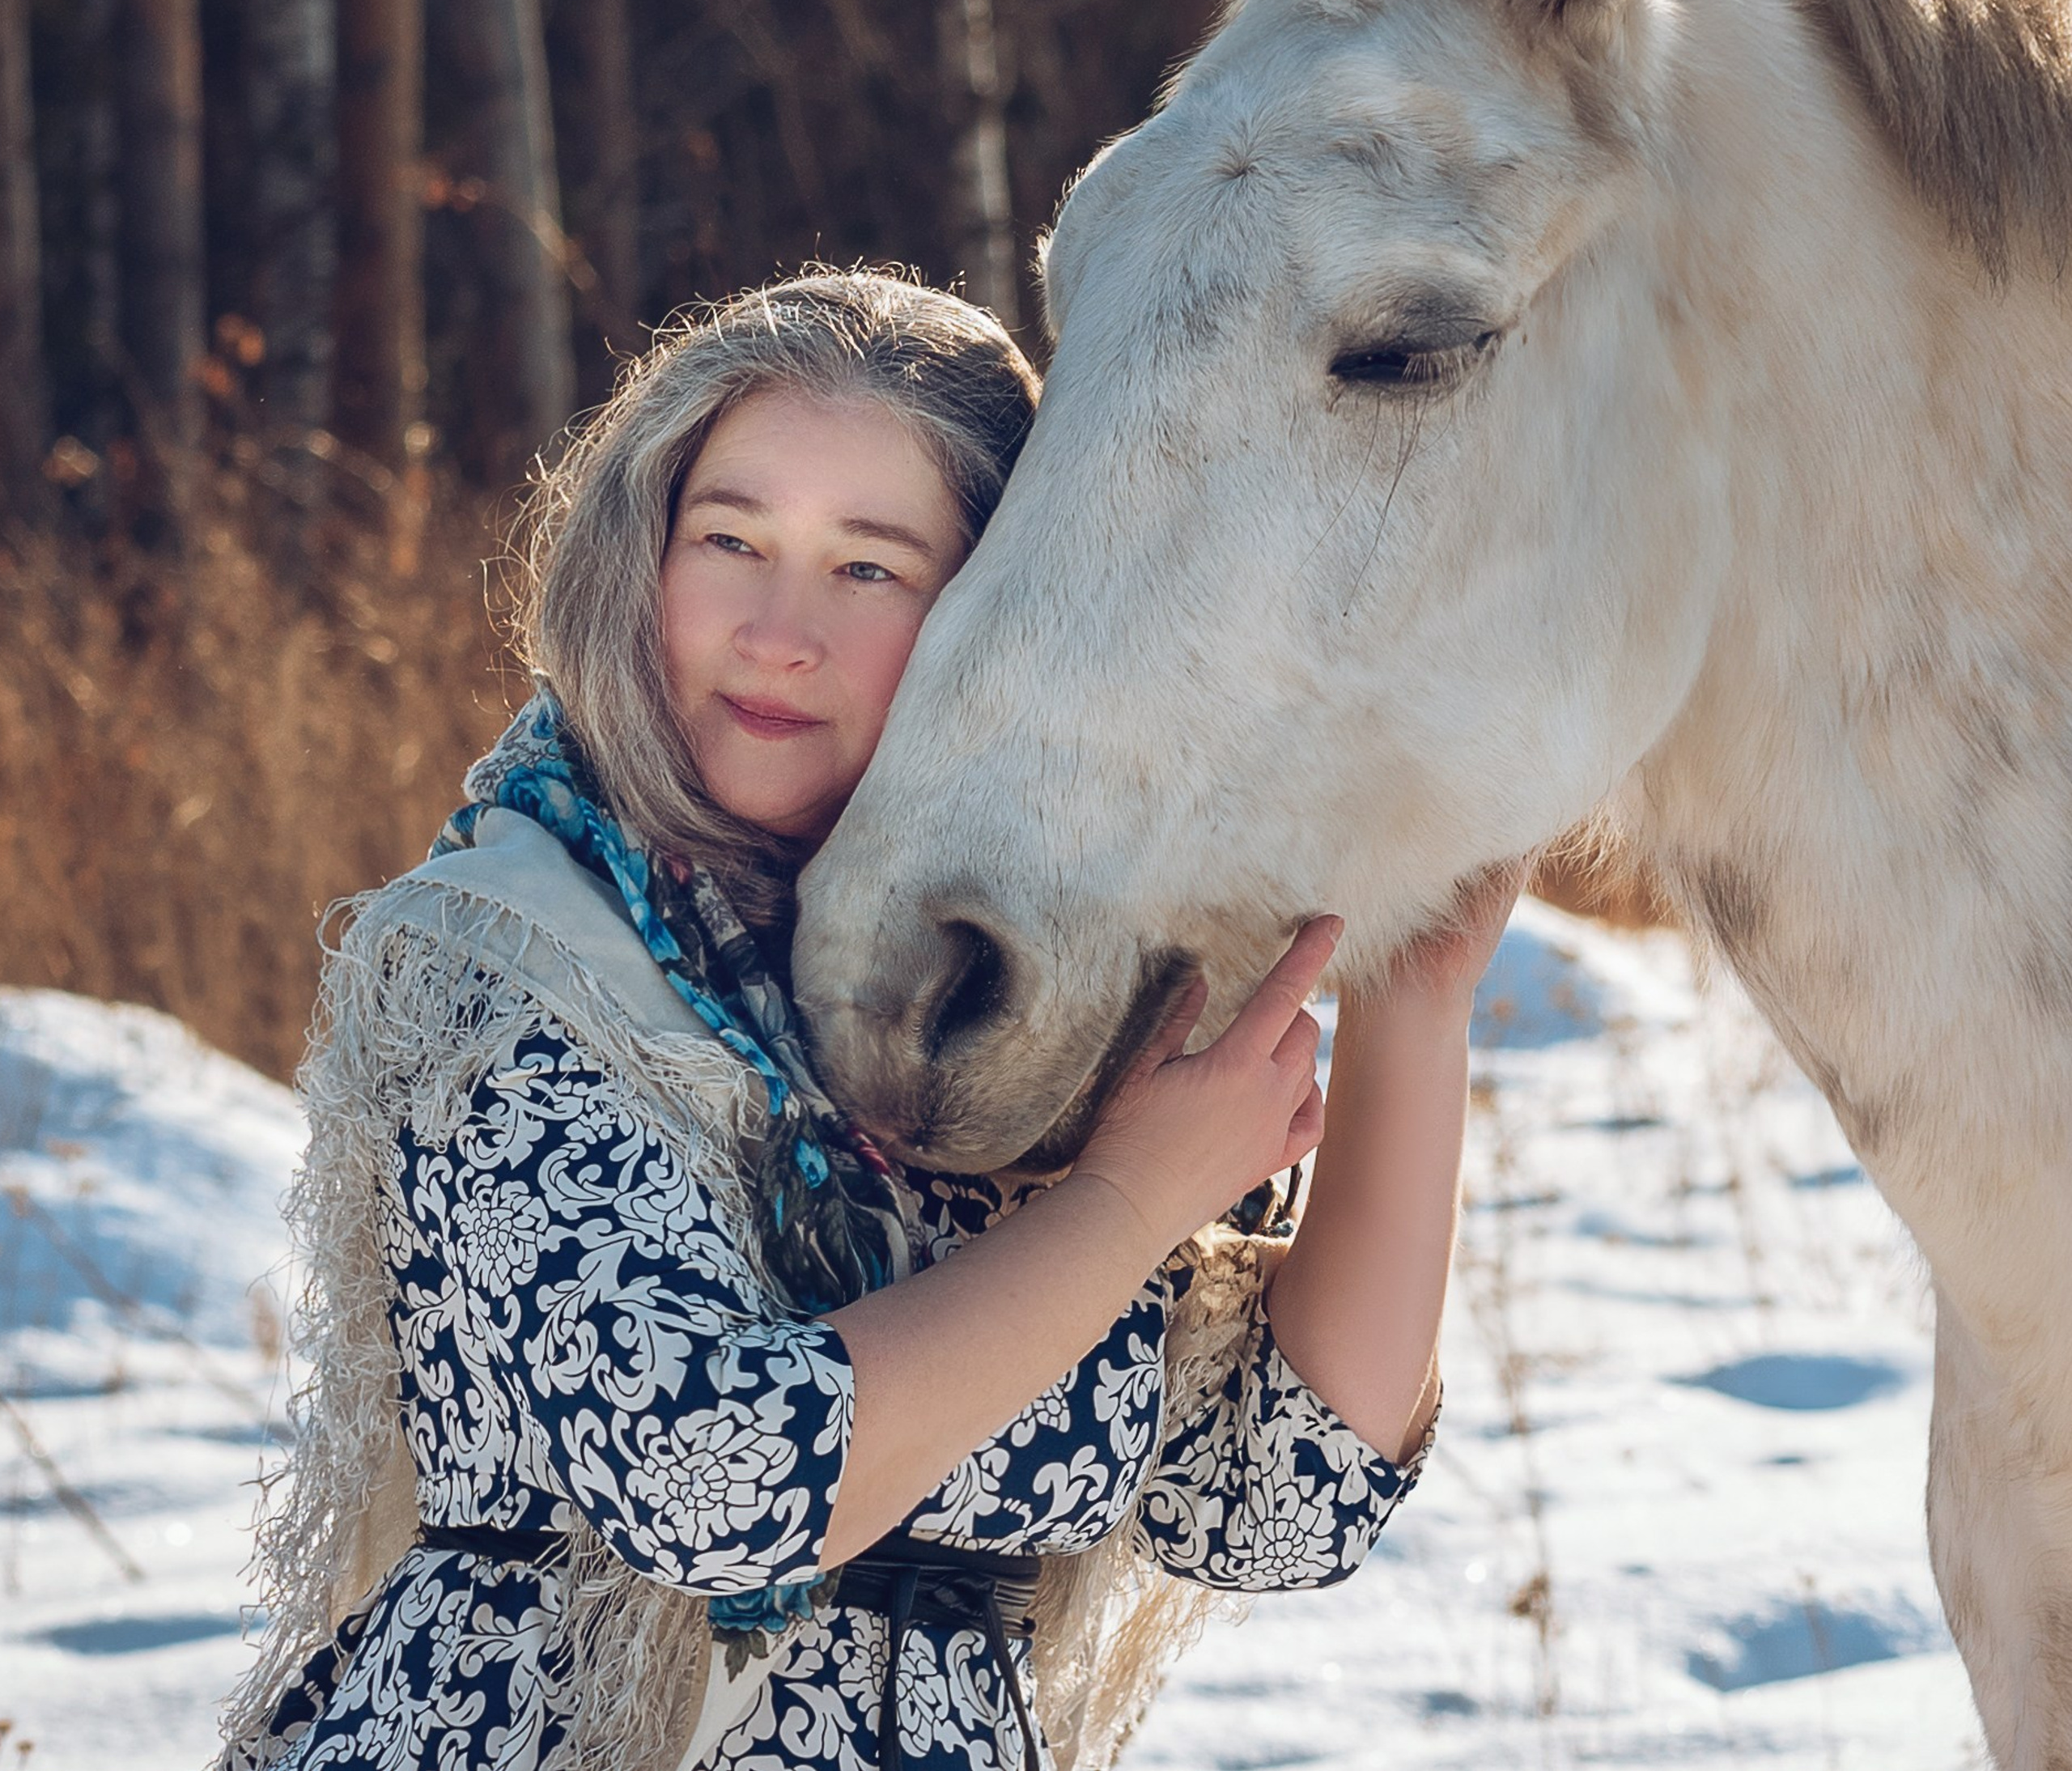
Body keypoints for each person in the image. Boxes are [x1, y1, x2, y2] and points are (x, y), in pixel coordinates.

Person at [218, 270, 1514, 1771]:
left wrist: (1419, 1000)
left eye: (869, 570)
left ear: (1000, 617)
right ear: (639, 558)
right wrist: (1127, 1199)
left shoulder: (1013, 1006)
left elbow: (1271, 1501)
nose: (778, 631)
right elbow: (710, 1478)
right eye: (732, 542)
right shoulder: (509, 962)